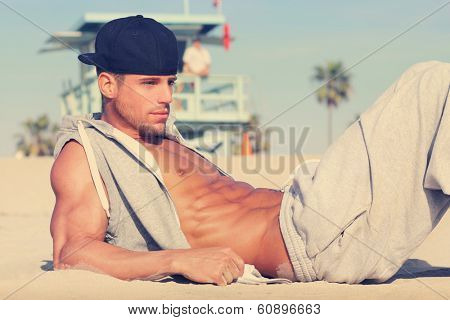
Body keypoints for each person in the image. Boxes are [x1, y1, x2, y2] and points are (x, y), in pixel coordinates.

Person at [50, 15, 450, 286]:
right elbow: (72, 253)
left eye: (170, 82)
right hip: (313, 240)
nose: (167, 96)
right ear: (107, 85)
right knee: (431, 83)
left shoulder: (164, 138)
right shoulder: (85, 151)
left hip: (323, 218)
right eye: (150, 83)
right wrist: (174, 260)